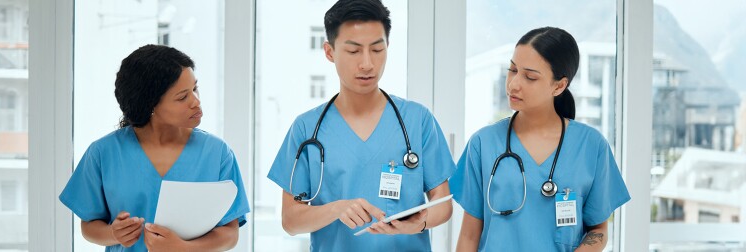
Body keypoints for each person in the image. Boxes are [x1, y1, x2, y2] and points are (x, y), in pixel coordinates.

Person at [266, 0, 456, 251]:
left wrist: (418, 223)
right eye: (354, 51)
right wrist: (336, 209)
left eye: (377, 49)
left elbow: (443, 203)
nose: (367, 63)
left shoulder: (417, 120)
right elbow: (290, 220)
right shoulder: (306, 129)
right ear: (329, 52)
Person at [450, 27, 630, 252]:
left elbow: (598, 229)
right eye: (512, 70)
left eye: (530, 77)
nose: (513, 84)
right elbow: (469, 236)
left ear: (559, 86)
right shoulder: (483, 144)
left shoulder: (591, 146)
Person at [60, 45, 250, 252]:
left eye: (195, 89)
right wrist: (113, 234)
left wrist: (183, 248)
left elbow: (230, 233)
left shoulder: (217, 154)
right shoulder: (103, 153)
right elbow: (89, 226)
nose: (196, 102)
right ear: (150, 104)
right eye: (182, 97)